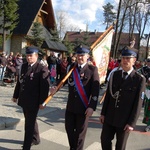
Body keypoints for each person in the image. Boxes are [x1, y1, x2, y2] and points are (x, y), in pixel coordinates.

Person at [51, 45, 100, 150]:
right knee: (69, 129)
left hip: (84, 108)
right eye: (78, 55)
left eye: (82, 55)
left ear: (87, 56)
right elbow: (63, 79)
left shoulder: (92, 70)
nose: (80, 57)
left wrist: (92, 107)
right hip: (71, 106)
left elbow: (95, 91)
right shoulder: (72, 67)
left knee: (79, 135)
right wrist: (56, 87)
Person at [99, 46, 146, 150]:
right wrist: (103, 113)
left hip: (125, 120)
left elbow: (138, 104)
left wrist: (131, 123)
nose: (125, 60)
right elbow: (108, 96)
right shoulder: (114, 75)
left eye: (128, 58)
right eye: (123, 58)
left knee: (120, 146)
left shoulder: (139, 79)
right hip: (110, 116)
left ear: (134, 61)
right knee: (104, 140)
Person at [11, 46, 50, 150]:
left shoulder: (41, 68)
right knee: (31, 120)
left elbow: (45, 88)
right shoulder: (24, 66)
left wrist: (44, 102)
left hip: (34, 101)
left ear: (36, 56)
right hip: (24, 99)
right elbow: (20, 82)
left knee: (28, 124)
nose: (28, 58)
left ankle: (26, 146)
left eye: (31, 56)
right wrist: (15, 95)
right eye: (27, 55)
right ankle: (36, 138)